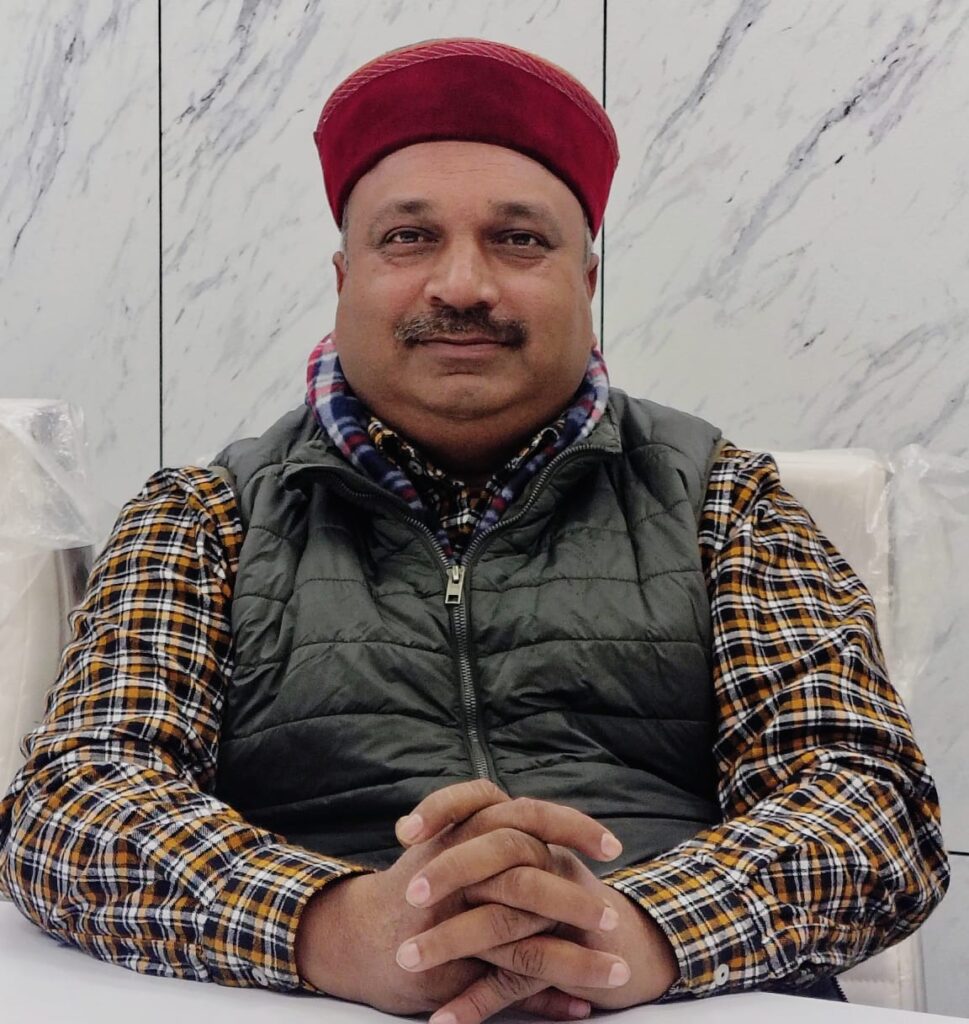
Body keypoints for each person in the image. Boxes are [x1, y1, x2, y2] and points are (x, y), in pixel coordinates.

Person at [0, 38, 948, 1024]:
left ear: (587, 280)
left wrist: (628, 930)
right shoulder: (202, 515)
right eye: (409, 238)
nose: (462, 285)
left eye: (518, 240)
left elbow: (869, 804)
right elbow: (74, 802)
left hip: (676, 999)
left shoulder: (725, 502)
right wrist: (337, 927)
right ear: (344, 275)